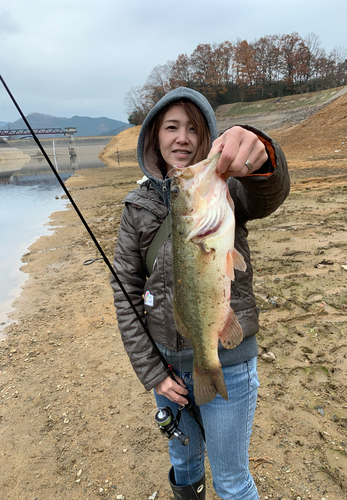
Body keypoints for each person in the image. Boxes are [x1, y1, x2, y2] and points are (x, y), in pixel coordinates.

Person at [111, 87, 290, 500]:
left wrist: (261, 152)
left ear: (206, 139)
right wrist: (152, 371)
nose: (183, 138)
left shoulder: (225, 190)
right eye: (171, 127)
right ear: (154, 136)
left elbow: (267, 192)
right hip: (168, 368)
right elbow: (125, 292)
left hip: (227, 358)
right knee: (184, 464)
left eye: (194, 128)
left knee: (232, 480)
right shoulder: (136, 208)